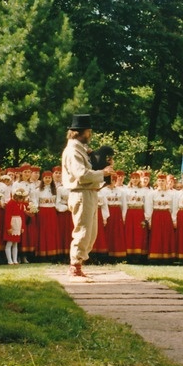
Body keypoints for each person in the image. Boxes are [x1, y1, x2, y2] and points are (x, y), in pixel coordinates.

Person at [61, 114, 113, 279]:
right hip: (80, 193)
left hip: (89, 193)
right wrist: (103, 173)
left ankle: (78, 264)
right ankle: (74, 266)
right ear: (80, 132)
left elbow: (90, 168)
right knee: (83, 231)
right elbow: (81, 175)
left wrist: (102, 165)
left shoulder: (80, 149)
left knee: (90, 233)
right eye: (88, 131)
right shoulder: (72, 151)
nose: (90, 135)